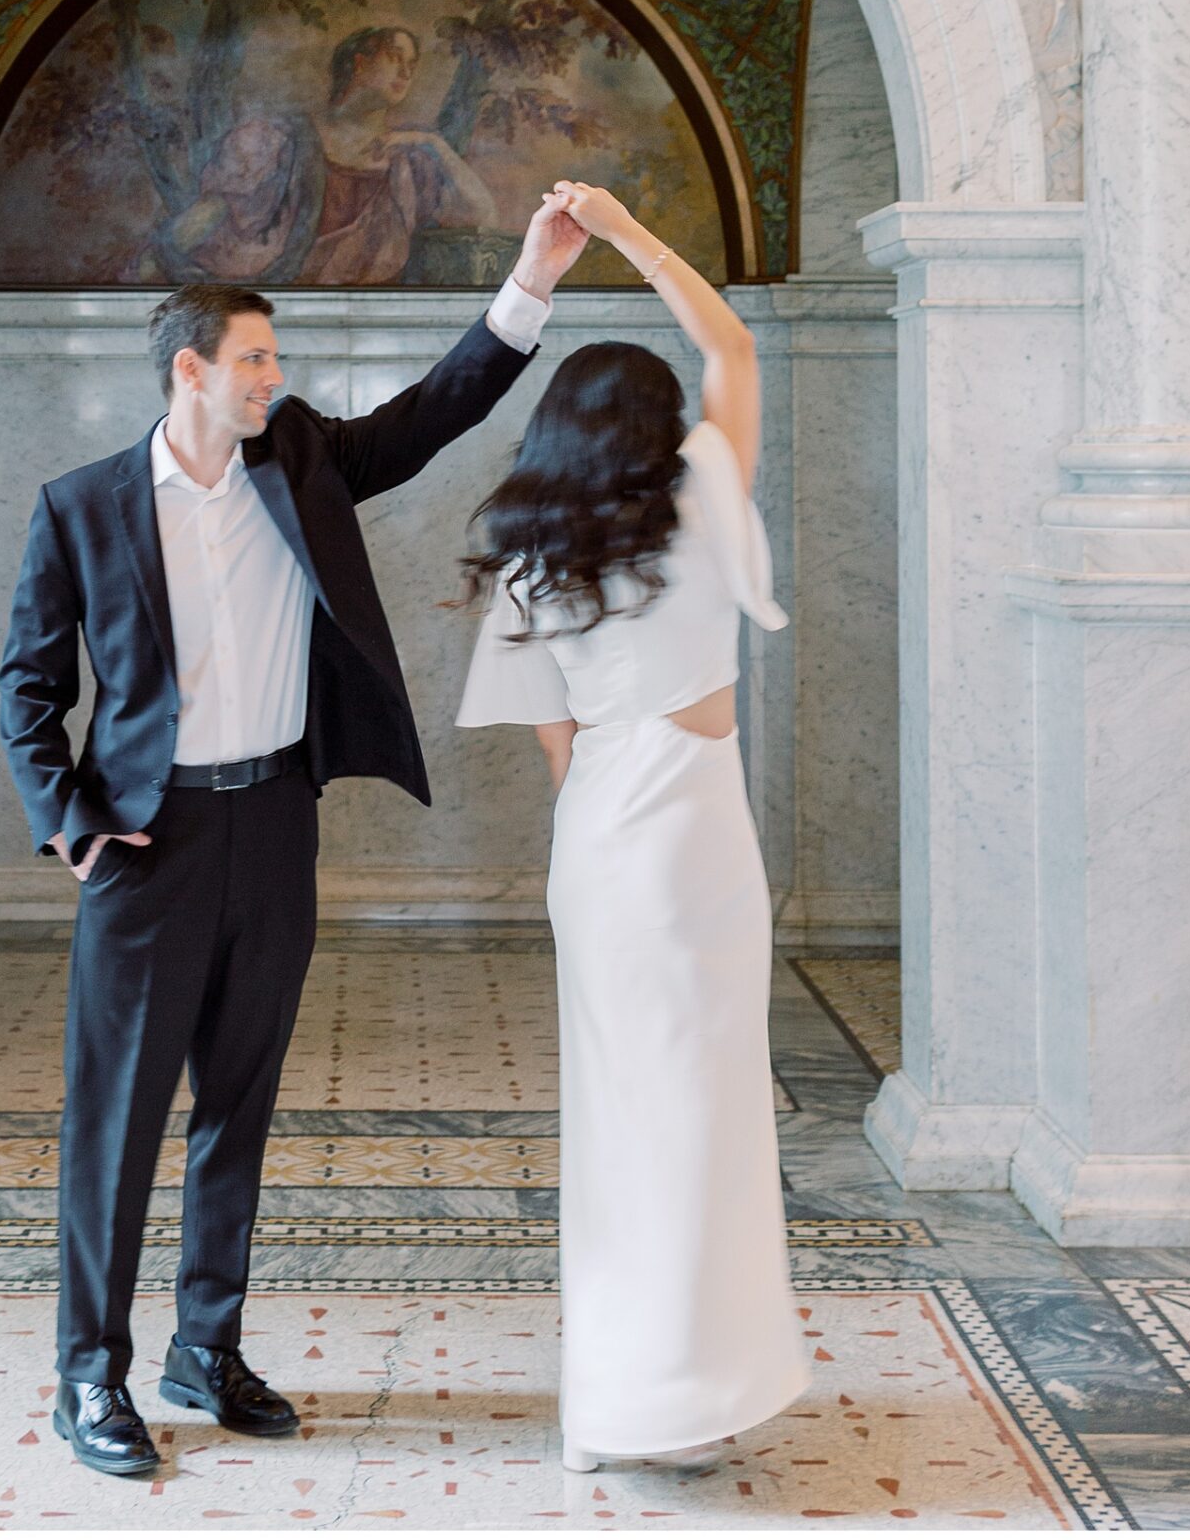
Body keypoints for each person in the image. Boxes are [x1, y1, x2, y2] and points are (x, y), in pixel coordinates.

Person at [0, 192, 587, 1478]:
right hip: (144, 853)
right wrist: (73, 825)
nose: (278, 375)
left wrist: (528, 277)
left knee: (241, 1106)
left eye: (277, 359)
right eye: (257, 358)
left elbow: (433, 414)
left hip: (273, 819)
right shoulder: (83, 508)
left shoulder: (302, 457)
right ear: (189, 370)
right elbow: (27, 688)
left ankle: (204, 1348)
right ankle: (86, 1374)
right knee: (117, 1120)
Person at [456, 181, 807, 1473]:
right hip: (696, 840)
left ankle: (609, 1410)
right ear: (660, 429)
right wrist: (621, 230)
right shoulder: (704, 493)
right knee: (703, 1116)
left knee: (612, 1120)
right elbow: (734, 346)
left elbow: (559, 747)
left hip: (598, 842)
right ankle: (695, 1398)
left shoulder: (532, 550)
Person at [300, 25, 497, 284]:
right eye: (394, 58)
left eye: (411, 65)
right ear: (359, 63)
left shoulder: (409, 158)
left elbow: (483, 216)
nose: (405, 73)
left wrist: (433, 143)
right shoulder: (295, 141)